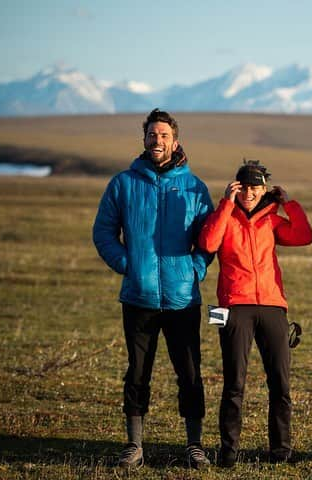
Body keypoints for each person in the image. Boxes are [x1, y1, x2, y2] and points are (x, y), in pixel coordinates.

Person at [92, 109, 214, 469]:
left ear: (175, 141)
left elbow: (209, 240)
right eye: (151, 134)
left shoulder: (194, 188)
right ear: (143, 139)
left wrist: (194, 269)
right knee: (137, 371)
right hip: (139, 296)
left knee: (189, 371)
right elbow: (103, 232)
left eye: (163, 135)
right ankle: (134, 446)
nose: (157, 140)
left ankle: (195, 445)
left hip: (182, 298)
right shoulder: (123, 184)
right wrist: (130, 267)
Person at [198, 160, 312, 468]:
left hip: (273, 306)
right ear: (236, 187)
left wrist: (289, 203)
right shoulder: (225, 216)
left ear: (265, 189)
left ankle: (280, 450)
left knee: (280, 383)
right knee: (234, 383)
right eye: (244, 187)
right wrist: (226, 203)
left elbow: (303, 235)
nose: (250, 193)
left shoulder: (272, 220)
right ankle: (229, 451)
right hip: (234, 307)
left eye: (256, 187)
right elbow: (208, 242)